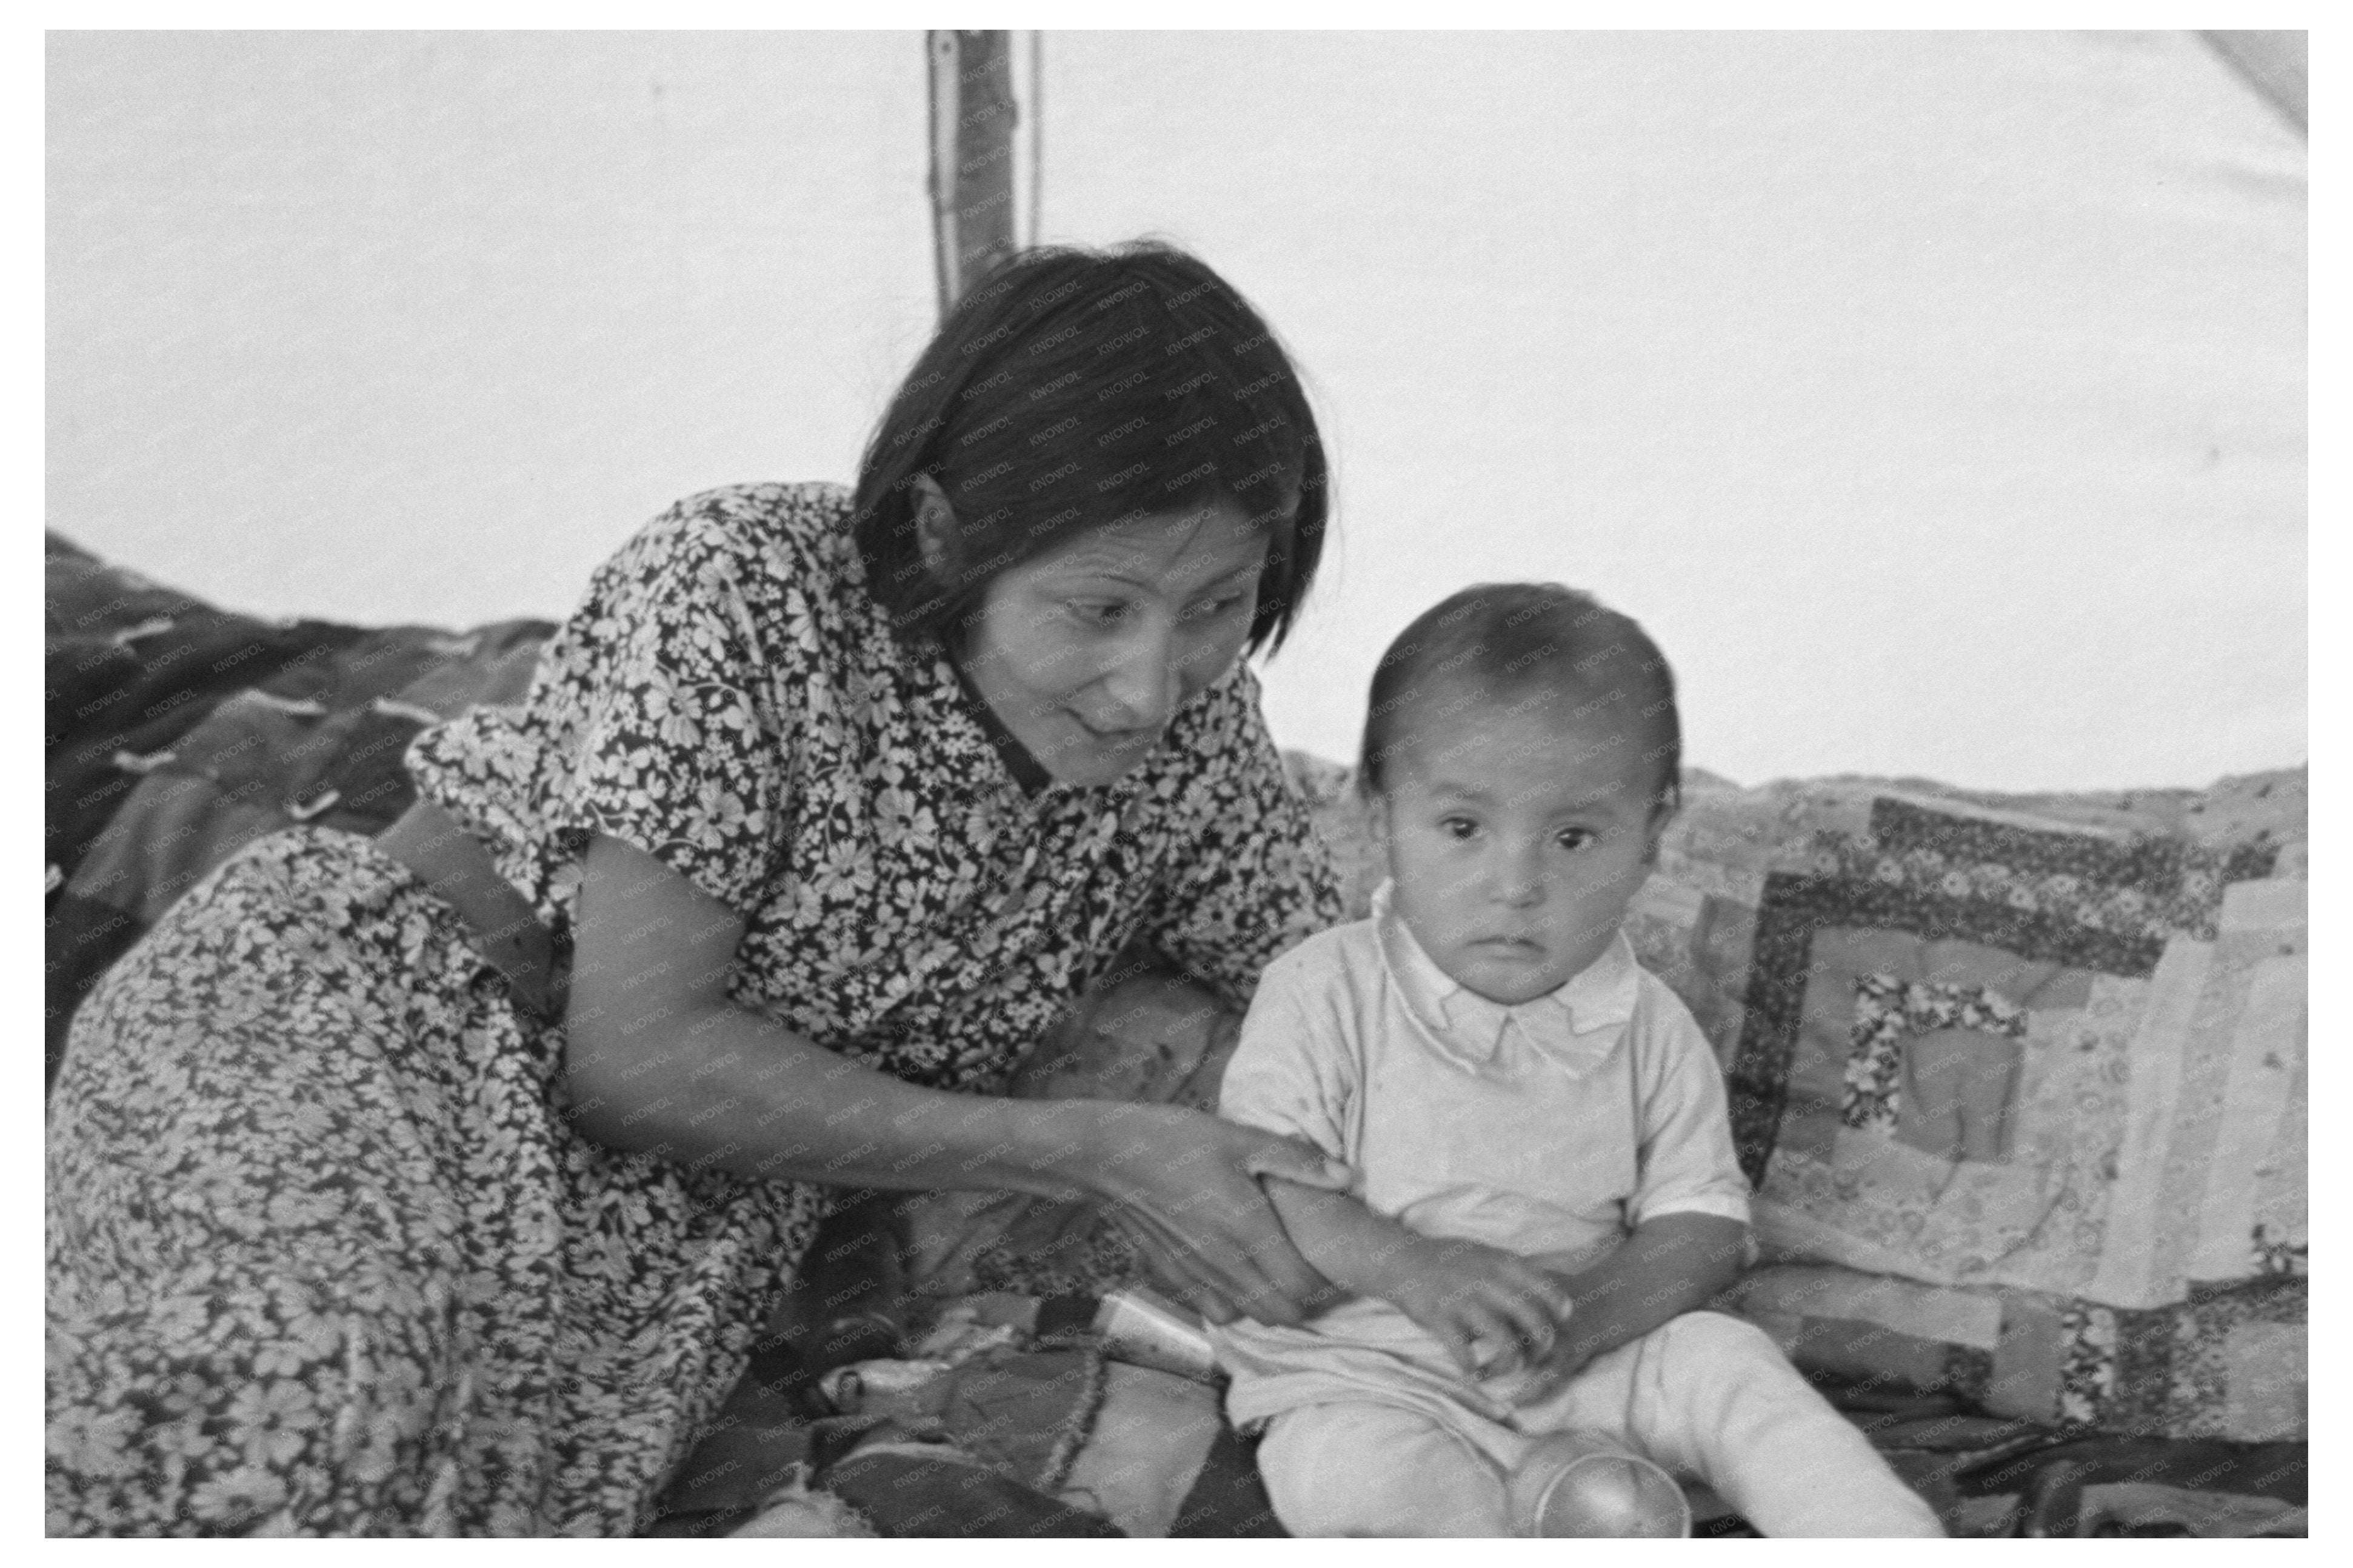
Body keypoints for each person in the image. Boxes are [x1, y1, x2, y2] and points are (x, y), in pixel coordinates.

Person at [46, 242, 1359, 1536]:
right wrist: (1091, 1149)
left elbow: (1358, 995)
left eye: (1220, 604)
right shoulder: (745, 584)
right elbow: (633, 1057)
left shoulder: (1198, 741)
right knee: (305, 1397)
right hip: (372, 1028)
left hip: (652, 1240)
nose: (1152, 683)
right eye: (1098, 609)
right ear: (943, 531)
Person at [1207, 583, 1947, 1537]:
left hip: (1585, 1356)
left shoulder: (1649, 1026)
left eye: (1572, 837)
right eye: (1463, 828)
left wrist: (1594, 1316)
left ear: (1650, 838)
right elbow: (1272, 1189)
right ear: (1377, 813)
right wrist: (1414, 1268)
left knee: (1724, 1361)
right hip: (1368, 1372)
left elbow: (1700, 1228)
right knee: (1357, 1482)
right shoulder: (1321, 990)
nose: (1516, 885)